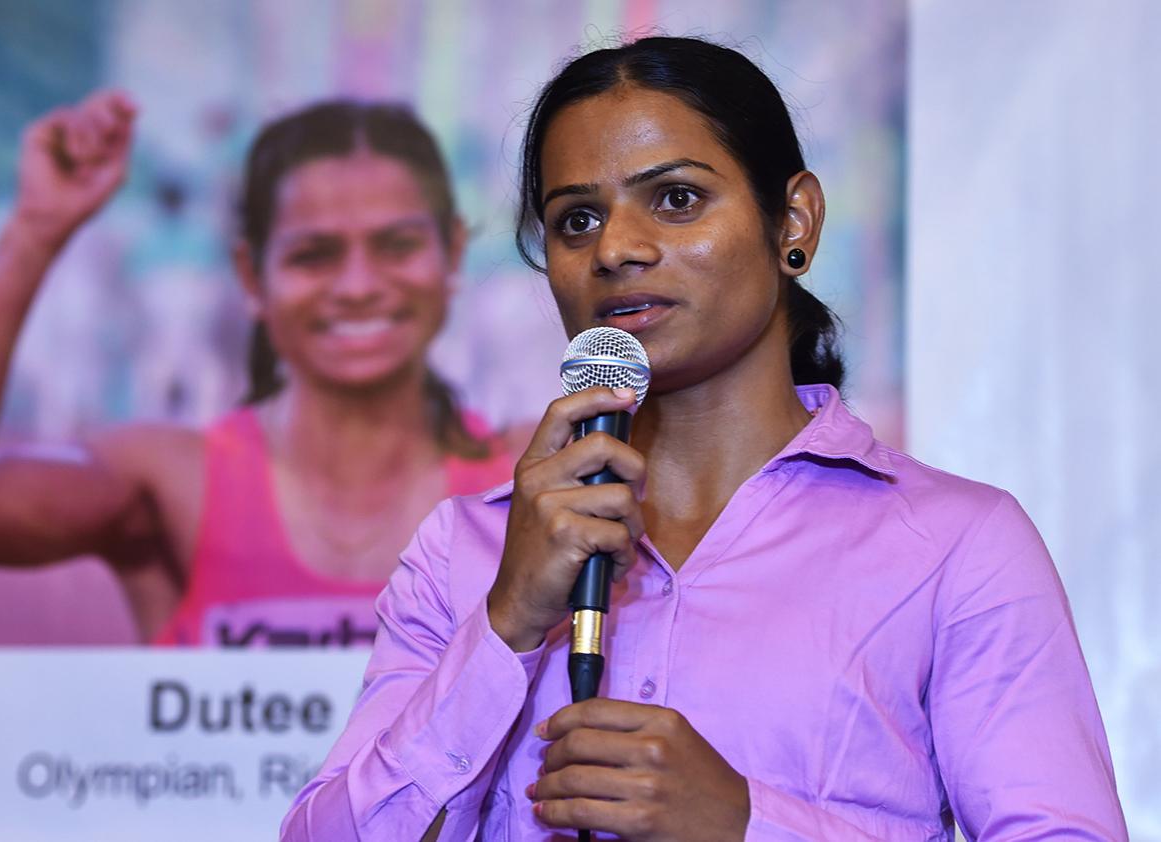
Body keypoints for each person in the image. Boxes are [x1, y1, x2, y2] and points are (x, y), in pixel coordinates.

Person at [280, 36, 1127, 840]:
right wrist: (506, 623)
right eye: (576, 220)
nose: (616, 248)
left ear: (793, 220)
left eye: (676, 199)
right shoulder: (465, 553)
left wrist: (744, 823)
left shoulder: (955, 547)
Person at [0, 92, 520, 646]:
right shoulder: (174, 485)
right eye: (314, 254)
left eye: (397, 246)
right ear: (251, 276)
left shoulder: (527, 482)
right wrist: (33, 233)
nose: (358, 286)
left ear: (452, 253)